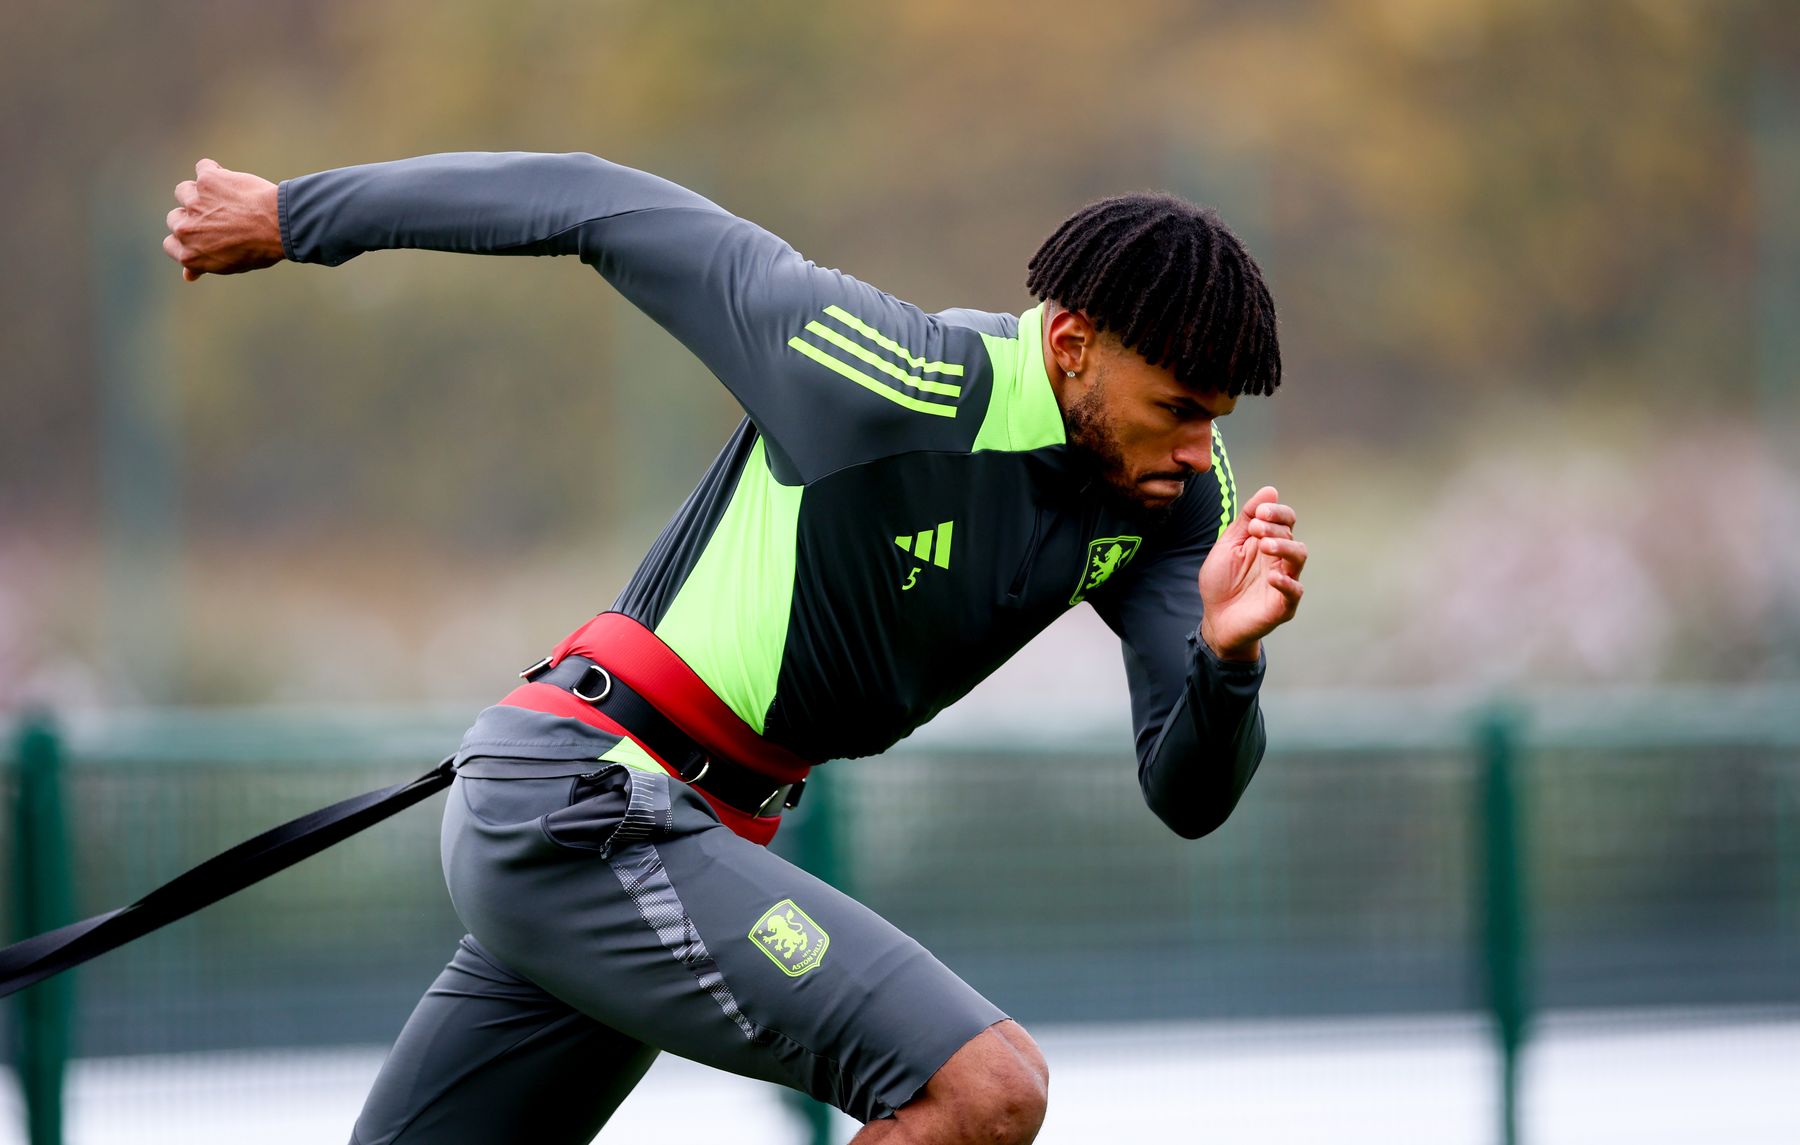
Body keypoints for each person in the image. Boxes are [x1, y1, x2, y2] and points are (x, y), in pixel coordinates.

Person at [162, 151, 1306, 1145]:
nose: (1203, 448)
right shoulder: (876, 371)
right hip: (584, 800)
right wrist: (293, 215)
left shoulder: (1172, 502)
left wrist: (1228, 659)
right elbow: (590, 201)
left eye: (1220, 420)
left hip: (660, 836)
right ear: (1070, 345)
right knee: (984, 1086)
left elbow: (1189, 793)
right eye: (1178, 406)